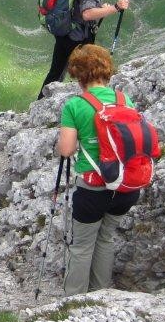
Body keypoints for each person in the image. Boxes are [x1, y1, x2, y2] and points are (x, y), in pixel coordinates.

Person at [56, 44, 140, 295]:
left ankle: (73, 302)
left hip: (93, 186)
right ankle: (100, 295)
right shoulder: (126, 100)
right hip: (126, 185)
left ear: (78, 75)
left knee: (81, 246)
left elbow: (66, 150)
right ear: (106, 70)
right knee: (106, 239)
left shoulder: (75, 106)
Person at [36, 0, 129, 100]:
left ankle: (41, 102)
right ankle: (89, 101)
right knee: (87, 71)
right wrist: (115, 7)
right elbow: (87, 14)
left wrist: (102, 9)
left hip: (65, 32)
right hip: (78, 37)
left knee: (56, 71)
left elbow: (81, 6)